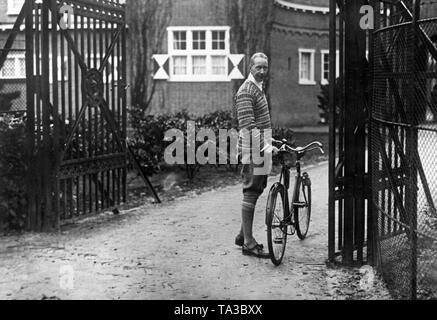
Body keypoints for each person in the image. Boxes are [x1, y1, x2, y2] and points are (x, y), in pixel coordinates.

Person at [232, 52, 278, 258]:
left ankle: (243, 235)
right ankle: (248, 244)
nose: (262, 71)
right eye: (258, 67)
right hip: (252, 150)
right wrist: (267, 147)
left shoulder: (258, 88)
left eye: (265, 68)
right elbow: (248, 126)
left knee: (257, 188)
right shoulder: (245, 91)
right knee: (251, 191)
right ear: (250, 67)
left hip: (261, 147)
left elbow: (260, 122)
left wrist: (270, 143)